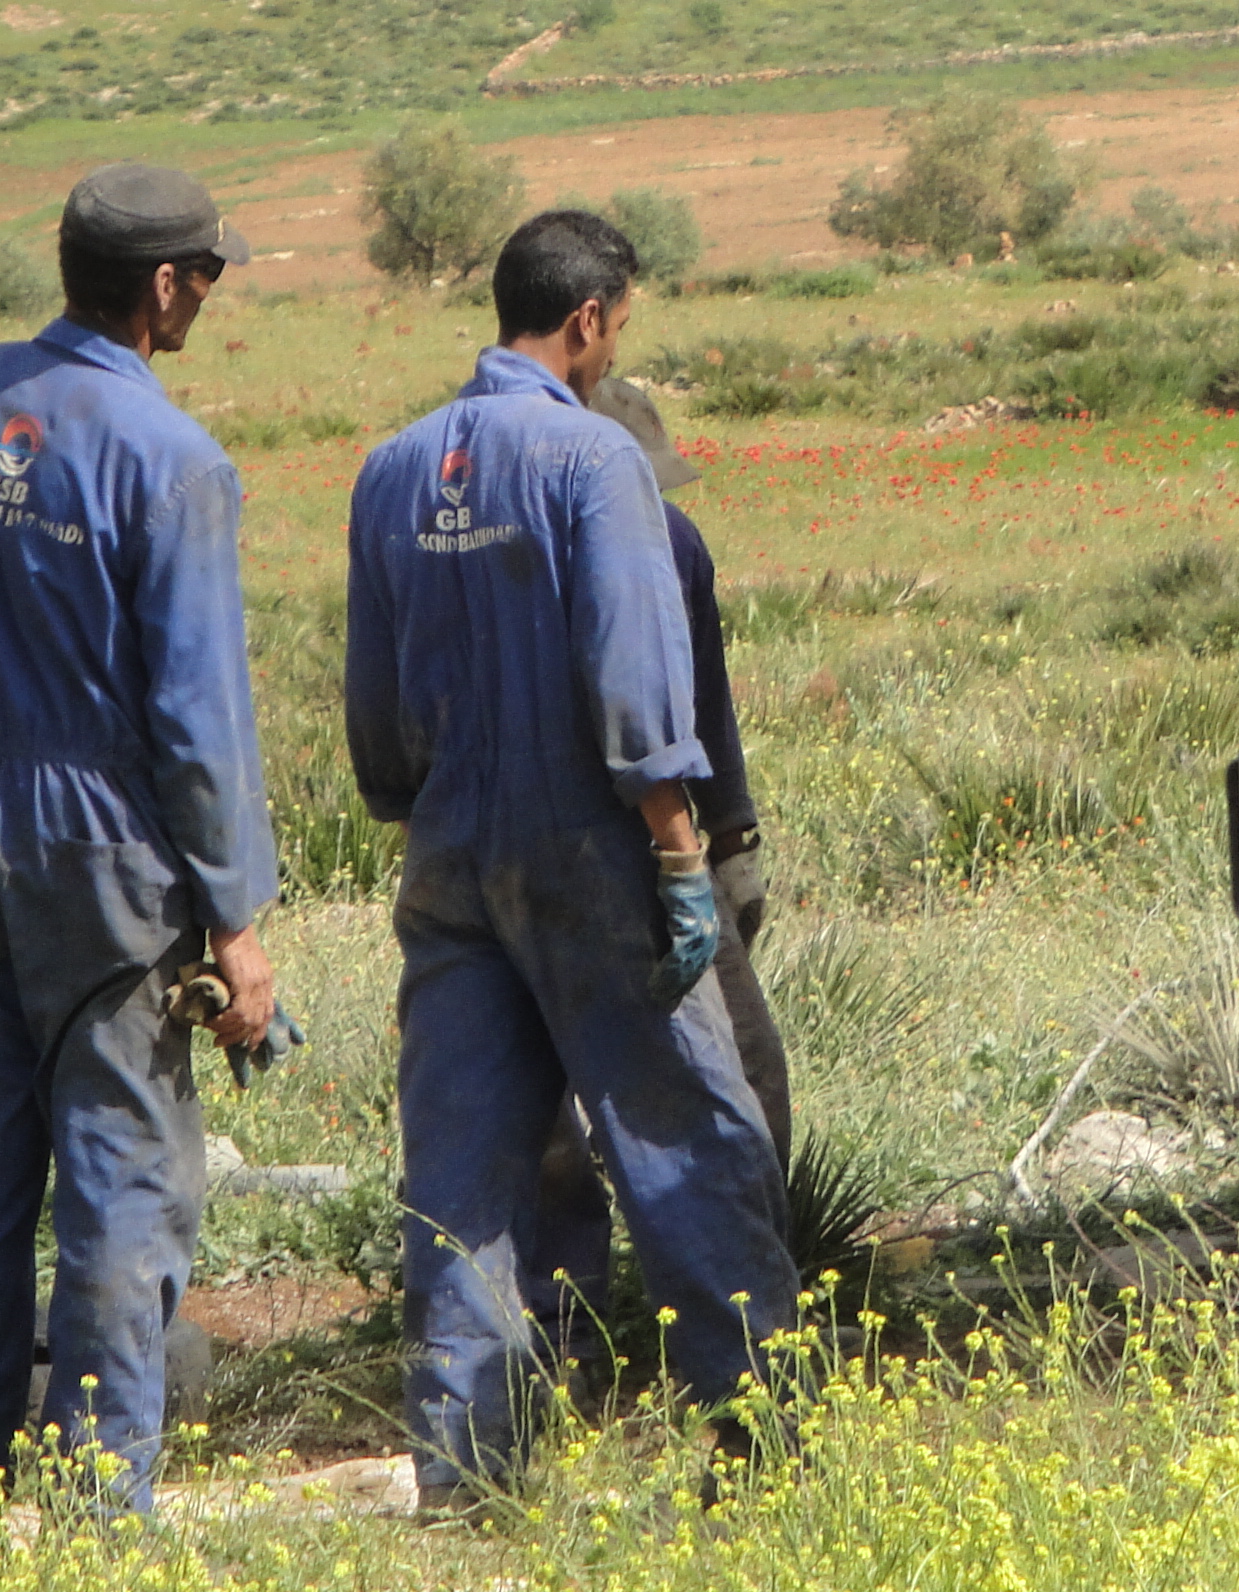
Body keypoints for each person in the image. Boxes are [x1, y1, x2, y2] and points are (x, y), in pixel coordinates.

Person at [0, 164, 280, 1524]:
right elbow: (198, 720)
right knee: (122, 1184)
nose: (209, 296)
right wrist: (236, 921)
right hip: (108, 849)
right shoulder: (172, 460)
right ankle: (96, 1513)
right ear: (164, 285)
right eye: (207, 274)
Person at [345, 209, 795, 1507]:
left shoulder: (392, 470)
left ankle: (467, 1478)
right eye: (618, 329)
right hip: (595, 852)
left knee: (464, 1174)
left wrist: (428, 809)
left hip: (448, 857)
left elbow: (374, 707)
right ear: (589, 320)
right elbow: (635, 678)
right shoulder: (596, 458)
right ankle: (757, 1453)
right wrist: (679, 856)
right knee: (692, 1141)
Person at [525, 374, 791, 1354]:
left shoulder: (658, 545)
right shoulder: (630, 548)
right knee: (732, 1085)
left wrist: (734, 839)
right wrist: (714, 847)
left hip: (540, 854)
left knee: (556, 1109)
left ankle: (577, 1334)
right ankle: (734, 1338)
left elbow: (703, 701)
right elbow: (682, 718)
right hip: (636, 853)